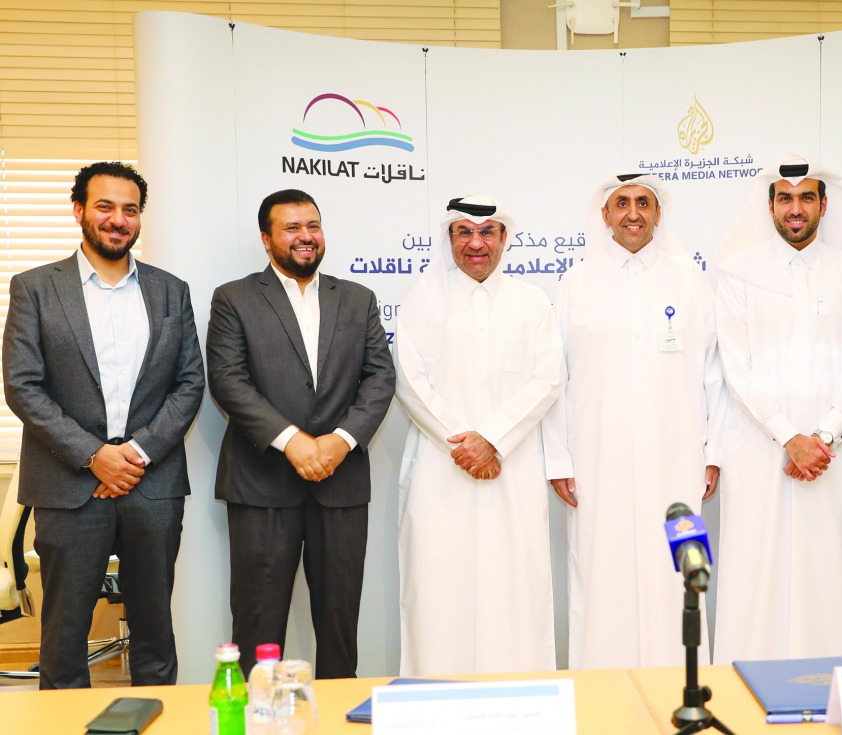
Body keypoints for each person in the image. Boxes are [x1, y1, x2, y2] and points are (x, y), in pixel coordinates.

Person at [3, 161, 204, 688]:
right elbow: (23, 385)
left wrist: (135, 453)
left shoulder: (170, 291)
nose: (119, 219)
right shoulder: (35, 288)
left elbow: (188, 383)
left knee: (156, 630)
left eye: (130, 209)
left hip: (152, 482)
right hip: (69, 484)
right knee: (65, 637)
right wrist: (95, 456)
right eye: (105, 206)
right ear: (79, 211)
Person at [207, 189, 395, 678]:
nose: (305, 236)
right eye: (291, 228)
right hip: (262, 484)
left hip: (342, 483)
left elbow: (380, 378)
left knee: (338, 626)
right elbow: (228, 380)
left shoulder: (357, 298)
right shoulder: (235, 298)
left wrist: (339, 442)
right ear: (267, 239)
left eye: (312, 225)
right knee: (257, 626)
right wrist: (294, 441)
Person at [542, 173, 724, 669]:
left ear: (658, 214)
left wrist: (713, 455)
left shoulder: (689, 279)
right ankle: (602, 686)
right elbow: (556, 377)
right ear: (605, 216)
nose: (633, 213)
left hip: (678, 456)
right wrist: (558, 458)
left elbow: (714, 375)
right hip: (597, 459)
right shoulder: (577, 281)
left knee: (680, 568)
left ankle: (681, 677)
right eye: (621, 204)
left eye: (643, 203)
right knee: (602, 570)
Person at [711, 154, 842, 663]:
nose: (796, 208)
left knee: (833, 569)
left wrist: (822, 438)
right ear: (770, 207)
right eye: (785, 198)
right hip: (760, 451)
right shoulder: (738, 274)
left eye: (807, 197)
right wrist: (790, 437)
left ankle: (837, 684)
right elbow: (736, 369)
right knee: (757, 573)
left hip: (832, 456)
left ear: (824, 205)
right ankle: (746, 685)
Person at [392, 195, 564, 675]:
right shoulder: (423, 299)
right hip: (439, 469)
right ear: (449, 239)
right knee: (437, 590)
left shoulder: (532, 302)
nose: (475, 243)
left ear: (504, 238)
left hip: (512, 469)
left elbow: (548, 379)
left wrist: (492, 439)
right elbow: (409, 381)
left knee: (515, 590)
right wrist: (466, 443)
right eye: (463, 232)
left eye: (487, 232)